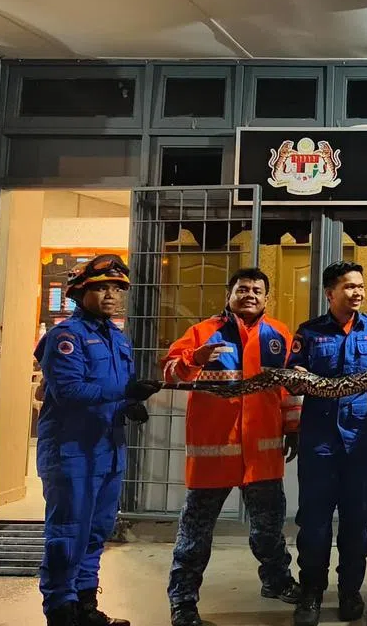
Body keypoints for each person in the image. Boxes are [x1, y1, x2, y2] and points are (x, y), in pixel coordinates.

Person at [161, 267, 302, 626]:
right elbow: (170, 373)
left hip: (262, 454)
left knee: (269, 530)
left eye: (257, 290)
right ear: (229, 294)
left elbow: (286, 388)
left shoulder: (279, 334)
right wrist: (195, 359)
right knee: (195, 535)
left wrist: (293, 426)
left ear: (266, 298)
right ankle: (183, 600)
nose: (250, 295)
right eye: (243, 289)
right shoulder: (202, 333)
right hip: (214, 454)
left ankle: (276, 581)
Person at [34, 254, 161, 626]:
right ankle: (61, 610)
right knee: (67, 533)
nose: (111, 295)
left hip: (108, 450)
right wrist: (125, 390)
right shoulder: (65, 337)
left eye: (117, 289)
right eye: (102, 287)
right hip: (71, 452)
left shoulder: (117, 338)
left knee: (95, 532)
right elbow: (69, 390)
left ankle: (85, 606)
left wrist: (128, 405)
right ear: (80, 292)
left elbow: (110, 389)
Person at [289, 262, 367, 626]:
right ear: (330, 293)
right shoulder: (310, 332)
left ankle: (350, 591)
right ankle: (311, 592)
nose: (357, 292)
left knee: (357, 522)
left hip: (360, 442)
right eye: (349, 286)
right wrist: (297, 376)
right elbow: (292, 375)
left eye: (360, 286)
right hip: (319, 443)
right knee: (314, 523)